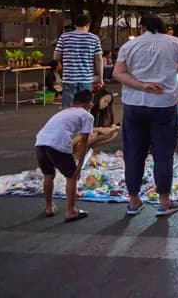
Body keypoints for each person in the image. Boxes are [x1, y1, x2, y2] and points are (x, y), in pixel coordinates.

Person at [113, 13, 178, 218]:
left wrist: (142, 85)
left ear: (142, 27)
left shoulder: (129, 46)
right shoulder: (175, 43)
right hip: (164, 104)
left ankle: (133, 201)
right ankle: (164, 202)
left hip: (133, 104)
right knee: (163, 154)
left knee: (133, 154)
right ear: (163, 26)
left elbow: (118, 73)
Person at [35, 89, 93, 222]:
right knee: (71, 176)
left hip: (40, 142)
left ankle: (49, 207)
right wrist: (79, 166)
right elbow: (84, 141)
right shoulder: (87, 115)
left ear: (74, 102)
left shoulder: (64, 112)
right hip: (57, 143)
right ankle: (71, 211)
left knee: (48, 175)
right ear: (90, 104)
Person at [53, 13, 103, 108]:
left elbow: (56, 57)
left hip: (69, 78)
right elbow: (99, 59)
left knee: (68, 108)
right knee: (84, 108)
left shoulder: (64, 37)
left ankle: (68, 123)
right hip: (86, 79)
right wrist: (100, 78)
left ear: (75, 25)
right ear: (88, 25)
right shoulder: (94, 38)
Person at [73, 86, 120, 151]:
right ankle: (79, 150)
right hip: (75, 137)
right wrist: (100, 129)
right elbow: (82, 129)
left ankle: (86, 149)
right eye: (105, 101)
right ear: (99, 98)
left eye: (108, 103)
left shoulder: (99, 112)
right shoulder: (88, 109)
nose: (106, 105)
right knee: (95, 135)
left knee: (112, 133)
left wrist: (110, 127)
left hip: (82, 135)